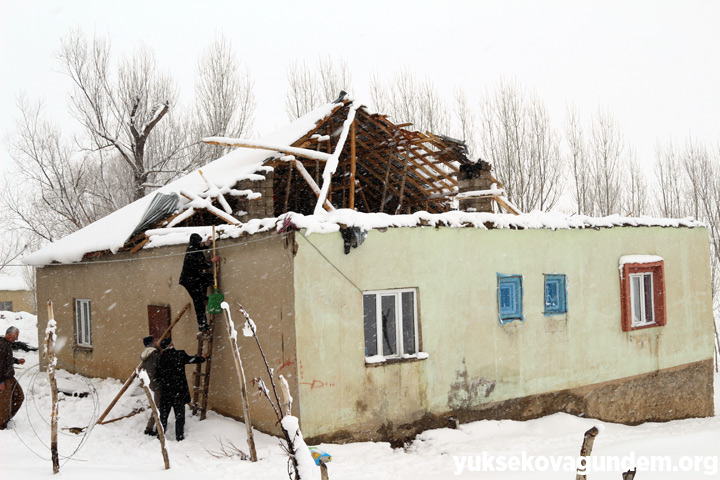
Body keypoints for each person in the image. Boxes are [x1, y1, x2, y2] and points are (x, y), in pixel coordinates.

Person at [156, 337, 205, 441]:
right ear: (171, 345)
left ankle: (160, 435)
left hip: (166, 393)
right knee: (180, 417)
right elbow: (192, 360)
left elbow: (157, 376)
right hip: (179, 391)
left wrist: (165, 382)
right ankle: (179, 436)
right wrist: (202, 358)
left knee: (163, 416)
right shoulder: (179, 354)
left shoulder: (160, 358)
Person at [179, 233, 218, 333]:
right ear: (196, 242)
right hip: (190, 281)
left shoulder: (193, 248)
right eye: (200, 242)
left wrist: (206, 245)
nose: (201, 243)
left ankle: (203, 297)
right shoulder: (192, 252)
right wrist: (211, 262)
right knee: (198, 303)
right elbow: (200, 264)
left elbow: (199, 250)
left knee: (207, 279)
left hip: (195, 278)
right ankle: (202, 325)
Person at [0, 326, 26, 430]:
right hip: (4, 379)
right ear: (9, 335)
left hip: (10, 377)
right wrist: (0, 382)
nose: (17, 338)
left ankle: (6, 418)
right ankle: (1, 424)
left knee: (19, 397)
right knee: (4, 403)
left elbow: (6, 359)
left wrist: (16, 361)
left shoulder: (6, 344)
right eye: (16, 336)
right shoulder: (1, 345)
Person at [140, 335, 161, 436]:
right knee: (158, 407)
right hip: (158, 383)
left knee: (157, 405)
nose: (157, 341)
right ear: (151, 342)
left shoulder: (145, 355)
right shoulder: (154, 354)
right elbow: (159, 367)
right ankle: (150, 428)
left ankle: (154, 427)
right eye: (155, 340)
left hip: (152, 383)